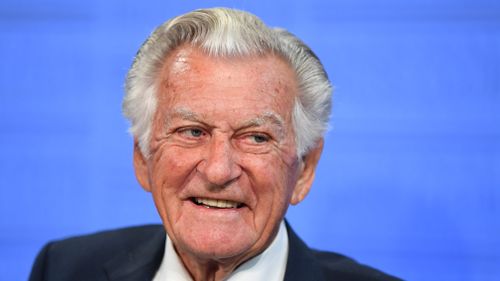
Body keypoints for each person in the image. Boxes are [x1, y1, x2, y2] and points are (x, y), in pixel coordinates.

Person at [29, 7, 400, 281]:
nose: (219, 169)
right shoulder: (64, 269)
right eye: (192, 132)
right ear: (143, 157)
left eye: (256, 137)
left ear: (304, 168)